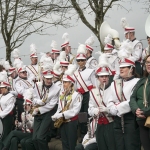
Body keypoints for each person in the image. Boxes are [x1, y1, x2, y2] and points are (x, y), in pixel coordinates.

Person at [107, 43, 141, 150]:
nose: (121, 69)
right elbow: (110, 101)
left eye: (124, 67)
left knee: (131, 145)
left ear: (131, 69)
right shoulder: (114, 83)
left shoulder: (138, 82)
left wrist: (117, 108)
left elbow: (132, 100)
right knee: (119, 146)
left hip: (131, 119)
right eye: (120, 67)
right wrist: (112, 109)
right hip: (117, 120)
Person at [88, 53, 116, 150]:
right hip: (99, 124)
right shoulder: (93, 92)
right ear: (98, 78)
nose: (104, 78)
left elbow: (116, 108)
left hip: (111, 124)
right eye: (101, 76)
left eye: (106, 76)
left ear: (109, 77)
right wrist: (94, 111)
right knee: (101, 147)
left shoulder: (113, 89)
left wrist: (107, 109)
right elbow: (90, 108)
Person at [31, 60, 60, 150]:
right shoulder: (37, 85)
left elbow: (51, 105)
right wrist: (38, 102)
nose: (49, 80)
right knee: (34, 138)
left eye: (50, 78)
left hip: (47, 113)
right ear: (43, 77)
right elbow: (33, 98)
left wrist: (39, 109)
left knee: (40, 137)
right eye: (47, 78)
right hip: (37, 113)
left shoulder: (56, 88)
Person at [52, 64, 82, 150]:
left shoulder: (77, 95)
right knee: (64, 143)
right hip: (62, 122)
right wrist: (56, 115)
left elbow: (75, 111)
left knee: (71, 143)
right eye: (63, 82)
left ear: (71, 83)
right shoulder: (62, 94)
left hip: (71, 122)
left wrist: (61, 115)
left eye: (65, 82)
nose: (63, 84)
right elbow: (59, 108)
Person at [74, 44, 97, 142]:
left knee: (88, 112)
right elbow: (75, 86)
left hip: (88, 93)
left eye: (82, 60)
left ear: (85, 61)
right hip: (79, 95)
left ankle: (90, 131)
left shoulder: (91, 71)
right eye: (78, 60)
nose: (80, 62)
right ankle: (83, 132)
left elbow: (94, 84)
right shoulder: (75, 73)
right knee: (81, 113)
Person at [129, 54, 150, 150]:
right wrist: (136, 110)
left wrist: (145, 111)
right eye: (148, 62)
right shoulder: (141, 81)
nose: (149, 65)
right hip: (142, 123)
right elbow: (132, 98)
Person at [0, 72, 16, 149]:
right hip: (1, 118)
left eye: (2, 88)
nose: (1, 89)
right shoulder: (1, 96)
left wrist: (1, 115)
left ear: (6, 88)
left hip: (7, 118)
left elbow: (9, 109)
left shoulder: (11, 97)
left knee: (5, 134)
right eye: (0, 88)